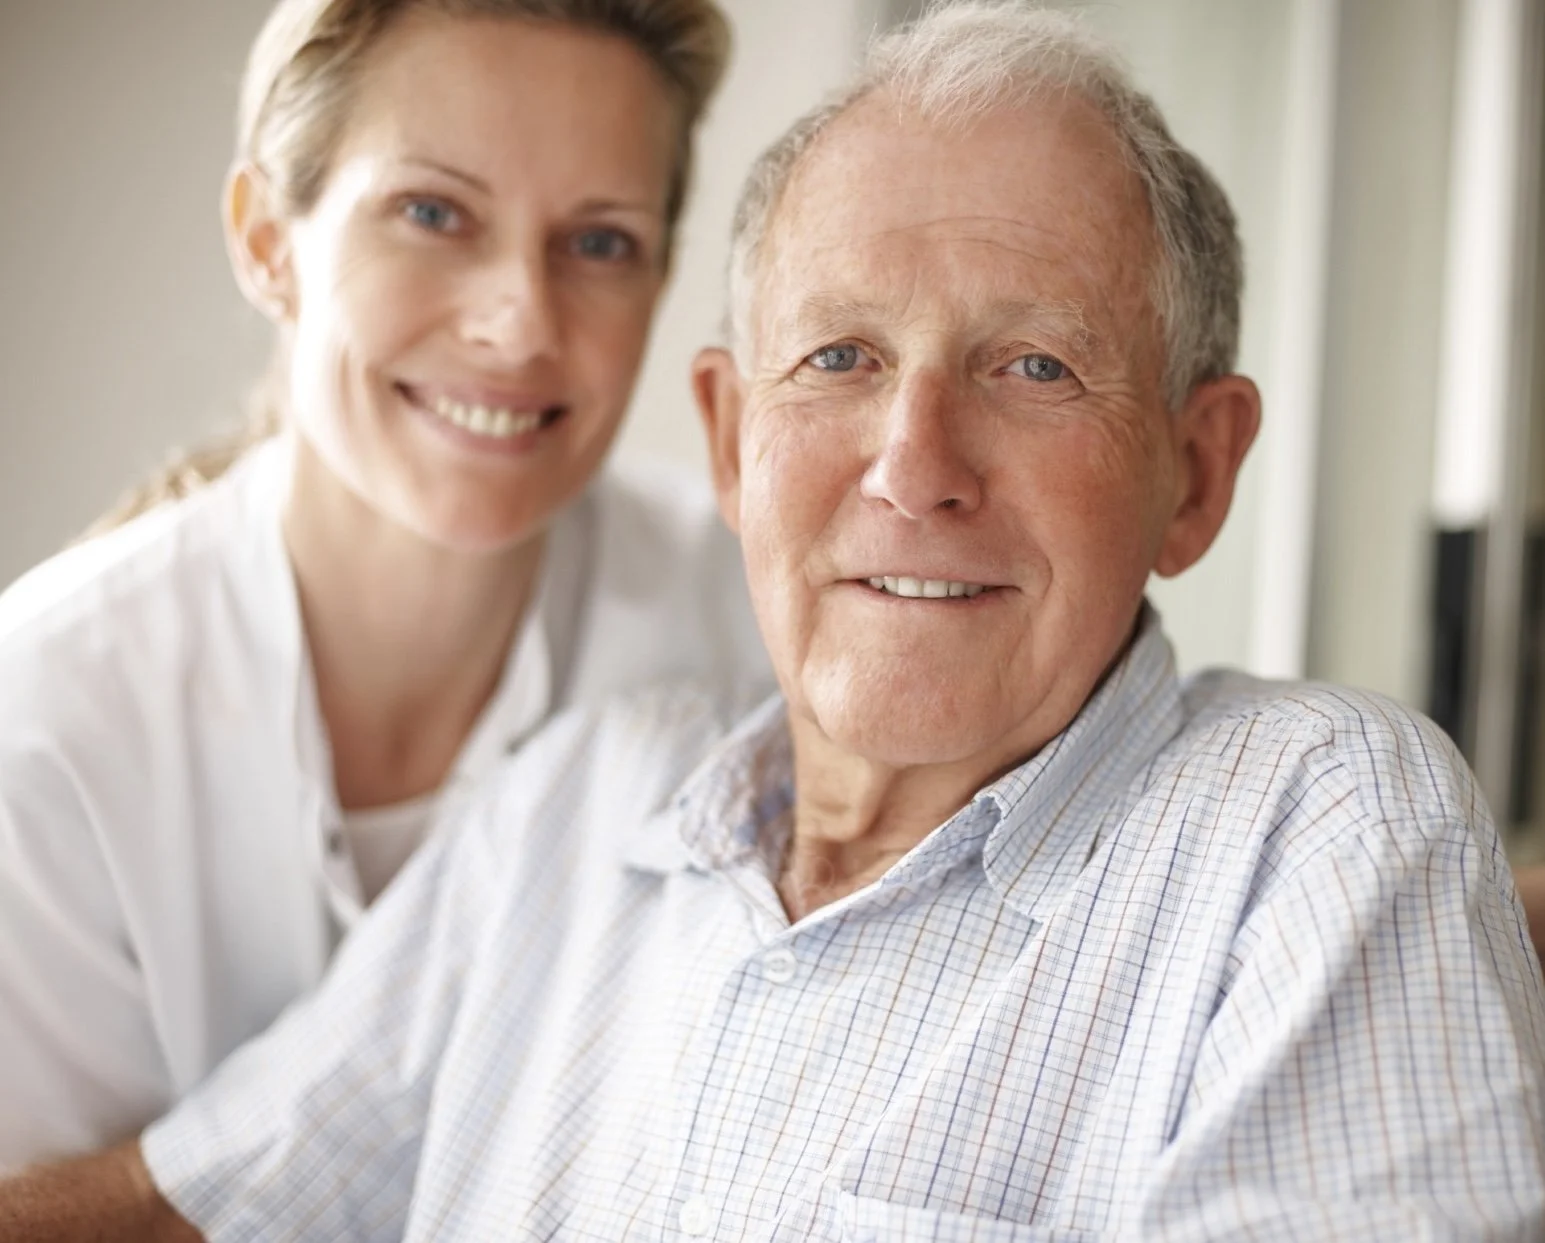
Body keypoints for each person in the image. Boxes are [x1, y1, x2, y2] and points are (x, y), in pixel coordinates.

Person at [6, 2, 1544, 1238]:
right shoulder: (573, 798)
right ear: (733, 441)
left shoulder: (1314, 827)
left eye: (1033, 368)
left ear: (1195, 471)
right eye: (839, 358)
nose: (913, 466)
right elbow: (188, 1199)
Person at [0, 0, 772, 1172]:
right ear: (268, 239)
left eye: (600, 240)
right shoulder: (45, 727)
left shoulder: (750, 625)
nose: (519, 322)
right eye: (432, 212)